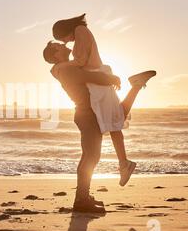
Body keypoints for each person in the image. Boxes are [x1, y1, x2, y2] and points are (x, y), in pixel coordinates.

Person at [43, 40, 155, 213]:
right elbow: (90, 77)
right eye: (59, 46)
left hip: (90, 112)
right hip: (87, 115)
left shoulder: (66, 66)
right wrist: (111, 78)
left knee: (113, 123)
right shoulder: (65, 69)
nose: (64, 45)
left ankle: (83, 197)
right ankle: (81, 199)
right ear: (55, 54)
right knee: (91, 157)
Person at [53, 14, 156, 186]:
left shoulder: (80, 30)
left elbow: (81, 61)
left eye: (62, 38)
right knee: (116, 119)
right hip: (96, 80)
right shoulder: (80, 32)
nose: (64, 42)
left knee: (116, 120)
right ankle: (124, 163)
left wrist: (62, 66)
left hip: (97, 81)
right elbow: (81, 62)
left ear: (65, 30)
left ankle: (124, 164)